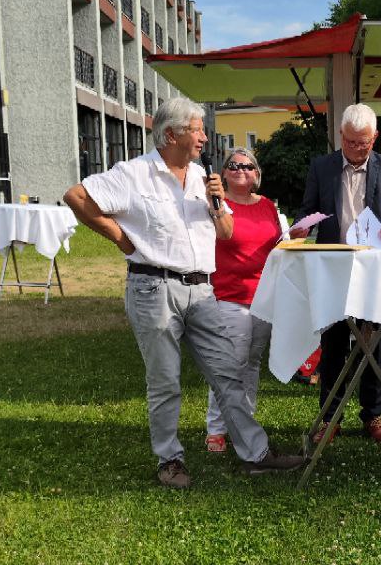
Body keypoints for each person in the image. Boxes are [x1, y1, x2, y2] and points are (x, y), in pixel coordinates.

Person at [63, 97, 305, 486]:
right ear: (172, 133)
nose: (204, 138)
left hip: (203, 291)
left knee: (228, 373)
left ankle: (256, 454)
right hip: (154, 288)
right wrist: (121, 238)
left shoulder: (201, 176)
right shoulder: (135, 173)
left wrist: (217, 204)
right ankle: (170, 460)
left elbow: (226, 232)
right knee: (165, 381)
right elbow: (77, 197)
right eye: (197, 130)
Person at [290, 103, 381, 444]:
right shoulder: (322, 166)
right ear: (340, 135)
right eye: (351, 142)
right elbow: (307, 210)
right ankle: (331, 416)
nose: (357, 149)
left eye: (364, 142)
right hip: (333, 268)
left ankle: (373, 415)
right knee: (333, 344)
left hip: (373, 270)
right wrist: (301, 227)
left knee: (374, 344)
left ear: (376, 137)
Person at [204, 146, 282, 453]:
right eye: (234, 165)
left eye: (247, 166)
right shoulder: (215, 203)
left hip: (263, 295)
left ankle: (244, 422)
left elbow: (276, 243)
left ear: (257, 174)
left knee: (251, 362)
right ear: (224, 173)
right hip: (228, 294)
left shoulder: (267, 206)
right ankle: (216, 428)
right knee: (230, 364)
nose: (241, 170)